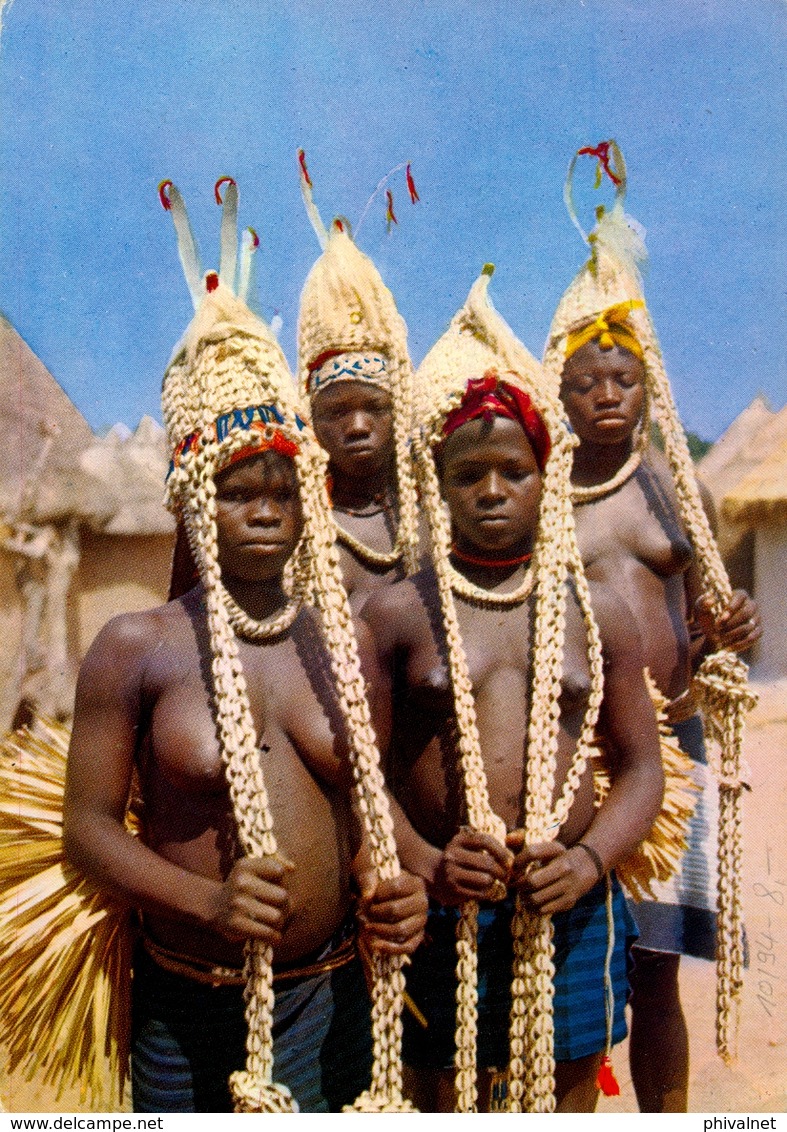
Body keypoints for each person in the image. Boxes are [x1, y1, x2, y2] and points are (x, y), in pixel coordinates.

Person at [63, 180, 426, 1114]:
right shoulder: (137, 647)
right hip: (187, 1006)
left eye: (281, 489)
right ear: (193, 498)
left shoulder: (343, 643)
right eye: (235, 489)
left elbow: (367, 806)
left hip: (332, 998)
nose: (264, 510)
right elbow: (90, 829)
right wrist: (206, 906)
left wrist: (396, 887)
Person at [358, 266, 664, 1113]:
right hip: (439, 910)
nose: (491, 492)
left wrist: (588, 858)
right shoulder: (395, 614)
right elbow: (363, 772)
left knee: (569, 1092)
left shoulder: (593, 608)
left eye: (512, 471)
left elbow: (640, 768)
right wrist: (423, 862)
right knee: (439, 1094)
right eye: (468, 475)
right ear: (438, 483)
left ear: (544, 476)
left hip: (569, 905)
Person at [543, 142, 761, 1112]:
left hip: (670, 746)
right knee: (584, 974)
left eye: (623, 381)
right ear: (559, 390)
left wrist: (727, 631)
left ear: (647, 389)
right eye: (587, 382)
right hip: (581, 751)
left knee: (660, 962)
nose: (605, 395)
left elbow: (708, 619)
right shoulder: (545, 500)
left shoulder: (677, 493)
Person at [296, 155, 420, 611]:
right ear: (309, 414)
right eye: (336, 412)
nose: (358, 426)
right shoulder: (295, 532)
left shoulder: (432, 520)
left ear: (400, 405)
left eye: (374, 407)